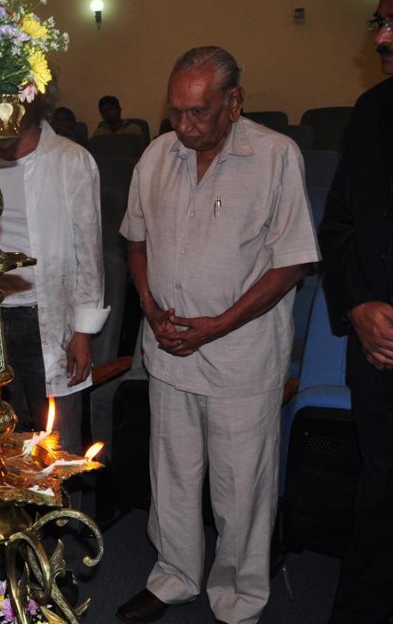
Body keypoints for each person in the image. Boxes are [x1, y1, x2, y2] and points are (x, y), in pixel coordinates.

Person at [116, 46, 319, 624]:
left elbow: (292, 263)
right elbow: (136, 243)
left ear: (235, 102)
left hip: (241, 357)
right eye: (175, 111)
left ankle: (237, 599)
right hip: (168, 351)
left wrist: (217, 326)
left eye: (198, 112)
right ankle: (175, 577)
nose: (184, 126)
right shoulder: (156, 156)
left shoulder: (275, 157)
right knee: (172, 477)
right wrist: (148, 305)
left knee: (240, 489)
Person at [0, 92, 109, 458]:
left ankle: (63, 500)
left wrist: (83, 332)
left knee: (57, 446)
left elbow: (88, 251)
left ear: (31, 104)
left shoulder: (70, 159)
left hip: (48, 319)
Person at [319, 0, 393, 624]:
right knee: (380, 504)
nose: (381, 38)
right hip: (379, 360)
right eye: (379, 22)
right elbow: (339, 226)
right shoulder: (371, 112)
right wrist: (357, 307)